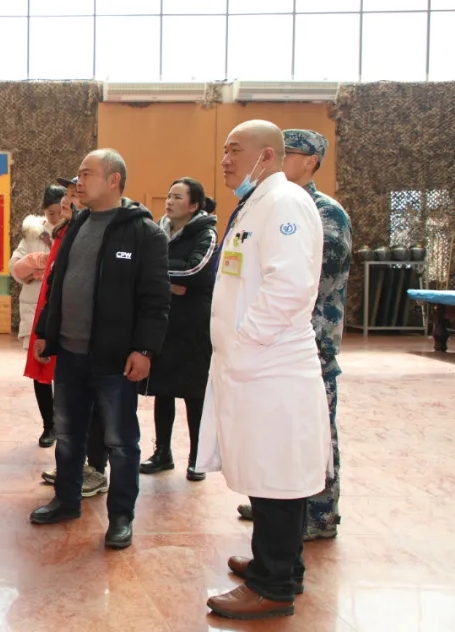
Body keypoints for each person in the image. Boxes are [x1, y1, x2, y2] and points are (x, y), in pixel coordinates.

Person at [196, 120, 332, 620]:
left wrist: (246, 339)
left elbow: (290, 286)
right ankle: (282, 564)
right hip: (253, 364)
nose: (226, 160)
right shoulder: (258, 203)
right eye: (224, 150)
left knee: (277, 476)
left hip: (271, 365)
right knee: (268, 471)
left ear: (267, 156)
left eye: (236, 150)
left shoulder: (286, 203)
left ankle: (272, 588)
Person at [28, 150, 171, 550]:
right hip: (70, 354)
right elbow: (57, 283)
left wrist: (144, 350)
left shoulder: (144, 233)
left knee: (121, 443)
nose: (78, 181)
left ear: (113, 180)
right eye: (78, 174)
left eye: (86, 174)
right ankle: (67, 500)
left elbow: (156, 300)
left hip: (114, 359)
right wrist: (45, 332)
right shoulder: (77, 225)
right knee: (69, 434)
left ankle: (121, 517)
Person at [235, 129, 351, 540]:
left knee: (311, 434)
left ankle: (319, 514)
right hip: (273, 343)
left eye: (291, 153)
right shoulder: (268, 204)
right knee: (275, 432)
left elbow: (312, 281)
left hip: (309, 343)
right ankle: (279, 506)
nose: (280, 159)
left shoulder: (325, 212)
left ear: (311, 161)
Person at [26, 176, 108, 499]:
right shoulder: (66, 231)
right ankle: (72, 465)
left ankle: (96, 468)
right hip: (65, 330)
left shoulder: (102, 231)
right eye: (66, 193)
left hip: (93, 335)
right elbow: (56, 284)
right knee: (70, 406)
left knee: (96, 407)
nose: (66, 199)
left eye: (73, 193)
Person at [140, 177, 218, 481]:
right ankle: (163, 453)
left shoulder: (206, 233)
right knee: (163, 390)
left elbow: (196, 270)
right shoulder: (158, 230)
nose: (169, 202)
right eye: (169, 196)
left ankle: (197, 458)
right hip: (164, 321)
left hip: (193, 325)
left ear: (194, 205)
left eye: (177, 197)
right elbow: (144, 266)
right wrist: (168, 282)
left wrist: (160, 274)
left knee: (193, 392)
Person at [10, 184, 67, 447]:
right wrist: (35, 266)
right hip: (35, 308)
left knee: (65, 370)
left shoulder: (72, 230)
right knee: (40, 368)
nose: (55, 217)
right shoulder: (34, 233)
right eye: (50, 213)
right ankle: (49, 425)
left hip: (64, 309)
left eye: (59, 211)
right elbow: (15, 267)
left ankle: (65, 422)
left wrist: (43, 271)